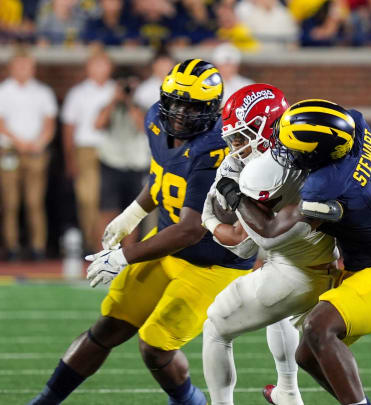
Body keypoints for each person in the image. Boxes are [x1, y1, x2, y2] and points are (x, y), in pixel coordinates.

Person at [29, 59, 255, 405]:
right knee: (108, 326)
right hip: (168, 247)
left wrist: (123, 256)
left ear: (212, 108)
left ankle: (189, 400)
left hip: (213, 263)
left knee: (154, 346)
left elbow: (191, 230)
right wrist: (133, 213)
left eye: (191, 106)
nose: (179, 113)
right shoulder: (154, 120)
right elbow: (162, 180)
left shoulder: (215, 148)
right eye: (174, 102)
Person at [235, 99, 371, 405]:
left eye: (292, 147)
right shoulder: (356, 126)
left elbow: (270, 233)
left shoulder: (327, 185)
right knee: (307, 355)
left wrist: (234, 194)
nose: (283, 149)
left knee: (318, 328)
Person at [200, 84, 342, 405]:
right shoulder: (309, 148)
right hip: (332, 261)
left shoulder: (267, 172)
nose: (235, 146)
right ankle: (288, 392)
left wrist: (209, 220)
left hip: (298, 273)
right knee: (278, 310)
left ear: (265, 130)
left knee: (215, 328)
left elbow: (242, 245)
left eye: (241, 137)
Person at [0, 47, 57, 261]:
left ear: (33, 68)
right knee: (10, 202)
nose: (23, 70)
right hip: (9, 151)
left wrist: (38, 143)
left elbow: (49, 124)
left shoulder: (42, 92)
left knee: (35, 202)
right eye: (19, 66)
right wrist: (18, 141)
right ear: (11, 68)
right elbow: (1, 123)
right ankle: (12, 247)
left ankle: (38, 247)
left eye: (27, 66)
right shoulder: (3, 91)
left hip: (35, 151)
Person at [60, 50, 115, 252]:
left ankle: (111, 243)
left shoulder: (116, 90)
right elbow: (69, 127)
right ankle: (91, 244)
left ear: (110, 67)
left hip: (114, 149)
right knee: (87, 198)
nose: (100, 69)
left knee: (111, 199)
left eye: (103, 64)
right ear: (88, 67)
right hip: (86, 149)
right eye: (95, 64)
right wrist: (70, 157)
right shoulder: (78, 93)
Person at [94, 70, 150, 249]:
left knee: (132, 212)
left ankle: (124, 254)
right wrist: (114, 100)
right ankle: (102, 252)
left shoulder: (141, 107)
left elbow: (142, 127)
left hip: (135, 165)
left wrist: (129, 103)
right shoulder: (108, 106)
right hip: (111, 163)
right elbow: (98, 124)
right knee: (107, 210)